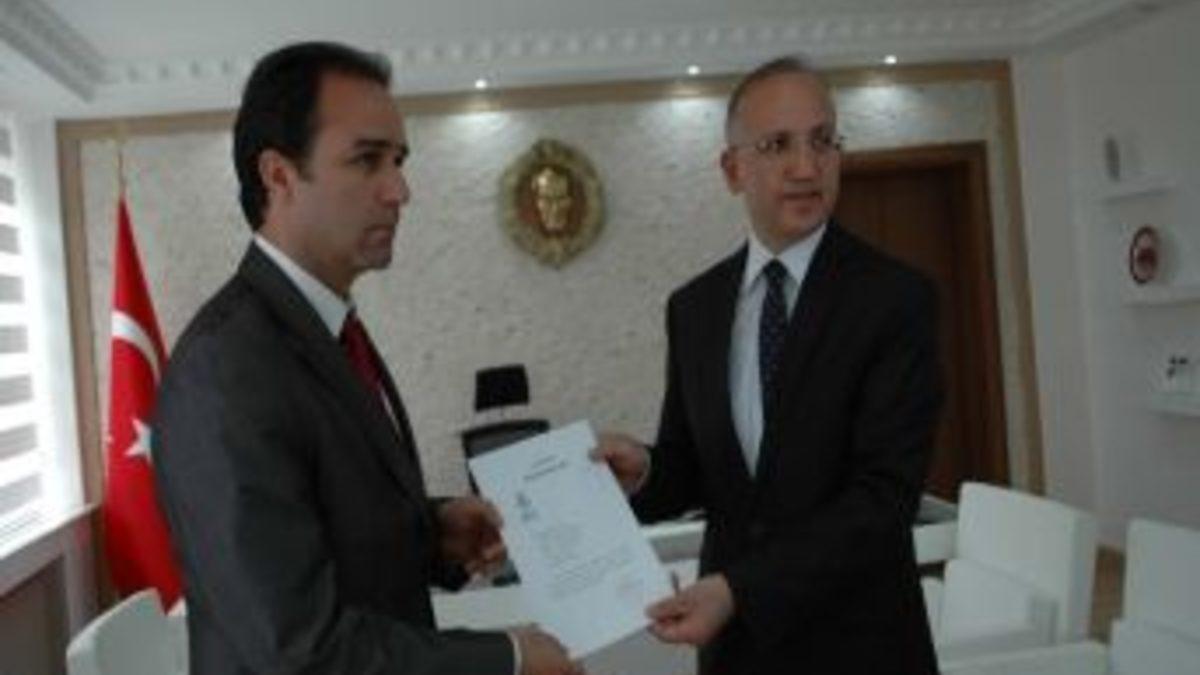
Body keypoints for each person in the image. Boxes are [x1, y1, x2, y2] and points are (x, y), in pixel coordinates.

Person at [152, 42, 578, 675]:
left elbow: (331, 517)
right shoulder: (224, 369)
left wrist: (432, 533)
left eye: (398, 161)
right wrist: (508, 659)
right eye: (367, 159)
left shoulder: (330, 328)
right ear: (278, 176)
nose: (400, 190)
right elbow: (302, 650)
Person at [594, 55, 944, 674]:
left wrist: (739, 589)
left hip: (861, 645)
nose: (806, 168)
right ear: (732, 169)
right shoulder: (694, 308)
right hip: (738, 653)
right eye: (777, 145)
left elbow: (883, 498)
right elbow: (696, 467)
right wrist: (644, 471)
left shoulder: (895, 299)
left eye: (822, 141)